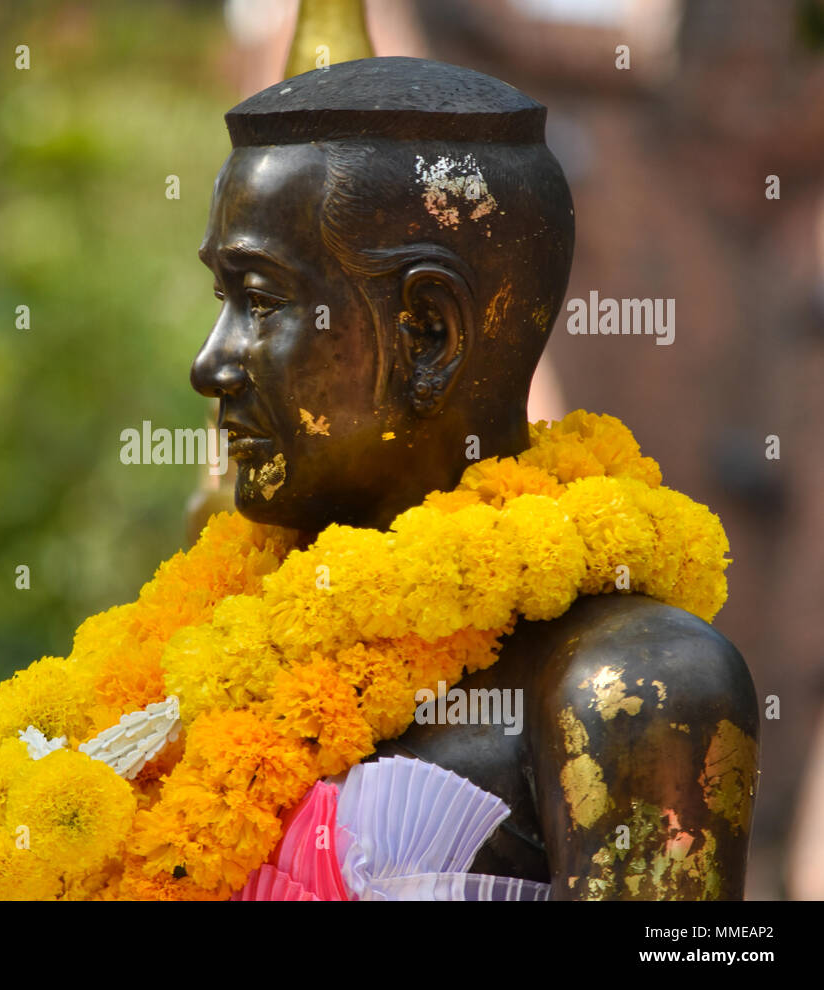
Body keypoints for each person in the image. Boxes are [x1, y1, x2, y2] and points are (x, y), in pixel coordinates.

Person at [191, 57, 758, 899]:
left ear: (427, 335)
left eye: (262, 300)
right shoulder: (225, 651)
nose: (210, 365)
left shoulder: (629, 683)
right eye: (222, 299)